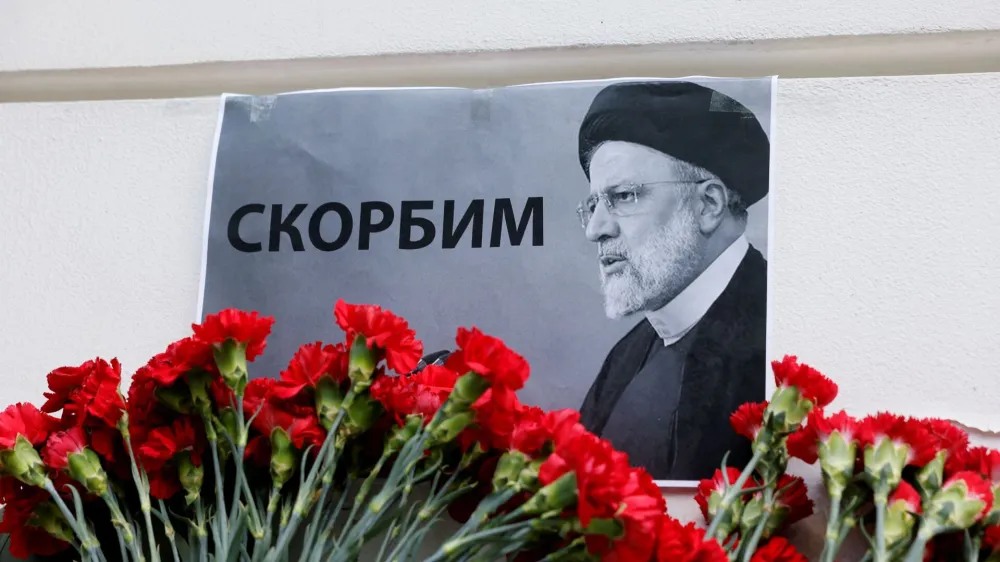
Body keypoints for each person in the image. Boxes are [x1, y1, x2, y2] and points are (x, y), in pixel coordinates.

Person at [575, 80, 769, 481]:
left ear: (708, 204)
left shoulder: (774, 332)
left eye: (625, 196)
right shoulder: (625, 358)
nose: (595, 230)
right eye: (593, 205)